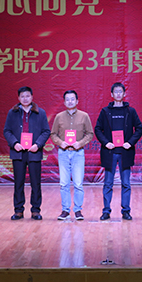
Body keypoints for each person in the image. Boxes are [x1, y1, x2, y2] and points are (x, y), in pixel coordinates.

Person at [94, 82, 142, 220]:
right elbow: (97, 129)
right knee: (108, 183)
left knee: (126, 183)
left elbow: (139, 128)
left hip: (125, 152)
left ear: (124, 94)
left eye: (120, 91)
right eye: (116, 91)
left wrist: (130, 142)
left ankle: (126, 210)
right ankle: (106, 211)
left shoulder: (130, 111)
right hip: (109, 152)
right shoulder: (105, 111)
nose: (118, 94)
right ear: (111, 94)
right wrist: (106, 143)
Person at [3, 86, 51, 221]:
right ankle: (18, 210)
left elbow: (46, 131)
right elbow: (7, 131)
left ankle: (36, 210)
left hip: (34, 152)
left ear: (32, 97)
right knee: (18, 182)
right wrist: (14, 143)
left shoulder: (40, 113)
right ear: (18, 98)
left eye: (27, 96)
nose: (25, 99)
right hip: (18, 152)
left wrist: (38, 145)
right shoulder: (12, 113)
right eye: (22, 96)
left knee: (36, 183)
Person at [50, 90, 94, 221]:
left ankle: (78, 210)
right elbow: (53, 134)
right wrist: (60, 142)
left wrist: (80, 143)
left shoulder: (84, 116)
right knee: (64, 183)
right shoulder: (59, 117)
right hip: (63, 152)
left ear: (77, 101)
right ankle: (65, 210)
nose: (70, 101)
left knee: (78, 183)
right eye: (67, 99)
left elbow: (90, 134)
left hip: (78, 153)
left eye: (72, 99)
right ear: (64, 102)